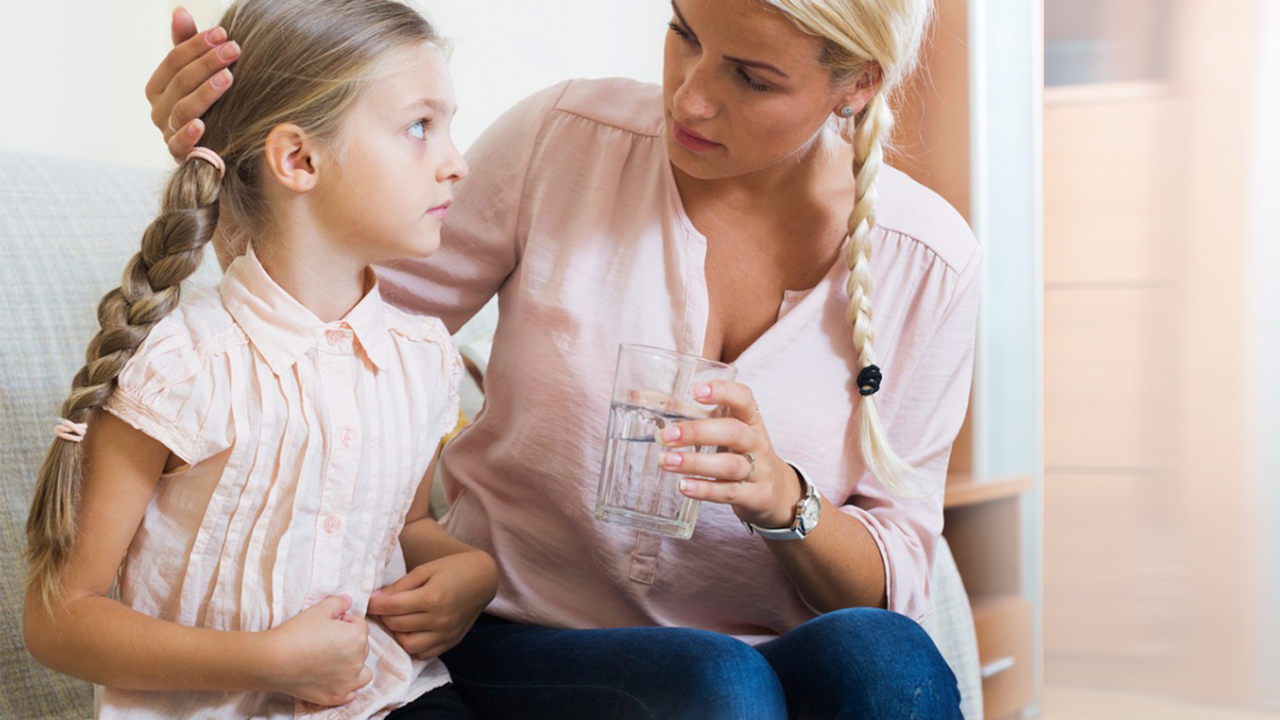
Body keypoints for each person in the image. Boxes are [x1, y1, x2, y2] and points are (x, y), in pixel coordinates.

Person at [150, 0, 979, 717]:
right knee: (716, 685)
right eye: (683, 33)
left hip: (777, 650)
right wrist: (223, 149)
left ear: (857, 84)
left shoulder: (929, 265)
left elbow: (896, 578)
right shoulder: (566, 142)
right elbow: (333, 322)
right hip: (517, 633)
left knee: (887, 662)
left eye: (752, 78)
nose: (690, 96)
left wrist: (782, 498)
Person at [22, 1, 495, 718]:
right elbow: (59, 618)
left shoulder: (424, 360)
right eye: (420, 127)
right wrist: (269, 661)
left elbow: (398, 527)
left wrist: (472, 570)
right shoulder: (182, 368)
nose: (457, 164)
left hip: (390, 700)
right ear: (299, 159)